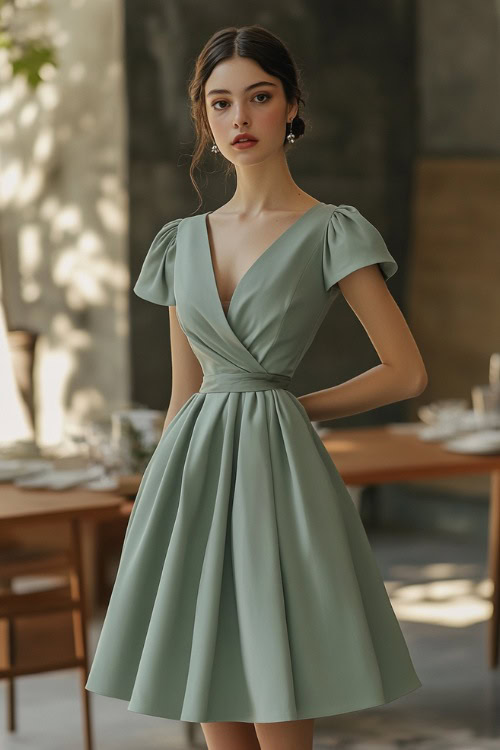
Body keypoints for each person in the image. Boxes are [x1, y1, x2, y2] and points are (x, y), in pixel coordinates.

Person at [85, 24, 427, 750]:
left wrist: (297, 406)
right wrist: (153, 491)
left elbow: (407, 372)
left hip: (276, 473)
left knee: (276, 681)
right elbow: (184, 392)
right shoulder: (180, 242)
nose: (239, 119)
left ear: (291, 106)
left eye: (259, 97)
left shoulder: (331, 230)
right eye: (220, 103)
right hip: (196, 473)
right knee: (209, 682)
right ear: (204, 117)